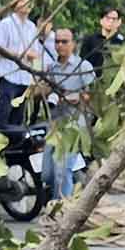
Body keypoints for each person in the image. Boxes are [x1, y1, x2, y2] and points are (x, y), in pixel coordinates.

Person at [40, 28, 95, 202]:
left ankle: (61, 210)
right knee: (46, 173)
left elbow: (94, 95)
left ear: (73, 44)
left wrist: (76, 97)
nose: (60, 45)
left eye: (65, 41)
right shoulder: (52, 67)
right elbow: (43, 92)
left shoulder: (83, 66)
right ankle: (68, 191)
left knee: (61, 172)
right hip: (55, 123)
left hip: (74, 124)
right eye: (57, 41)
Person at [0, 0, 44, 129]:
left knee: (19, 114)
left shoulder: (31, 26)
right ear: (15, 5)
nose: (26, 5)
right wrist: (23, 53)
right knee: (5, 108)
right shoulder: (6, 23)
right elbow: (0, 48)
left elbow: (36, 50)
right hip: (9, 73)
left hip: (25, 76)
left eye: (29, 2)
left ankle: (15, 142)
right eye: (23, 2)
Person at [80, 8, 125, 78]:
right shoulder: (90, 39)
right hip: (92, 80)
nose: (111, 21)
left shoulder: (122, 41)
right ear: (101, 21)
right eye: (107, 18)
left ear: (119, 22)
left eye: (114, 19)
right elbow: (82, 63)